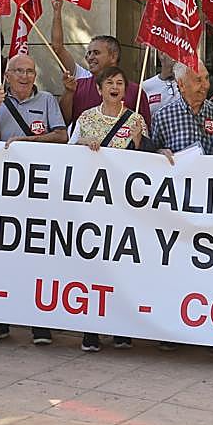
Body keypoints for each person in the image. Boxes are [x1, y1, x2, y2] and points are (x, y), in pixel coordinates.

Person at [0, 54, 66, 348]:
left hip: (40, 191)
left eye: (30, 71)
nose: (26, 77)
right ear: (8, 75)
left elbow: (62, 135)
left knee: (40, 256)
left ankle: (40, 323)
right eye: (19, 71)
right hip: (4, 192)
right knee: (4, 256)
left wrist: (31, 143)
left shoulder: (48, 100)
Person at [145, 60, 213, 352]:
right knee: (176, 267)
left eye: (206, 78)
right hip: (177, 210)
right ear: (180, 84)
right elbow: (150, 157)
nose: (204, 85)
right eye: (197, 80)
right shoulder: (164, 116)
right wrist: (157, 153)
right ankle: (171, 330)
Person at [69, 65, 147, 352]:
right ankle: (91, 330)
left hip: (124, 206)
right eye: (109, 82)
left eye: (120, 82)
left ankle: (121, 327)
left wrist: (139, 138)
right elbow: (67, 153)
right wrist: (81, 145)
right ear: (99, 88)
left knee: (122, 268)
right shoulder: (86, 118)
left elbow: (145, 161)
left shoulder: (135, 118)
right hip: (93, 204)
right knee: (93, 268)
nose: (115, 87)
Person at [50, 0, 150, 127]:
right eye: (89, 53)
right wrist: (57, 13)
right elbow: (64, 122)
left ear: (113, 57)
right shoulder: (78, 85)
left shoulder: (135, 91)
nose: (90, 57)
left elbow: (145, 132)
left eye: (96, 53)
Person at [140, 53, 180, 117]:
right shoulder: (145, 86)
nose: (179, 56)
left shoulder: (188, 84)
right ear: (161, 54)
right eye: (173, 51)